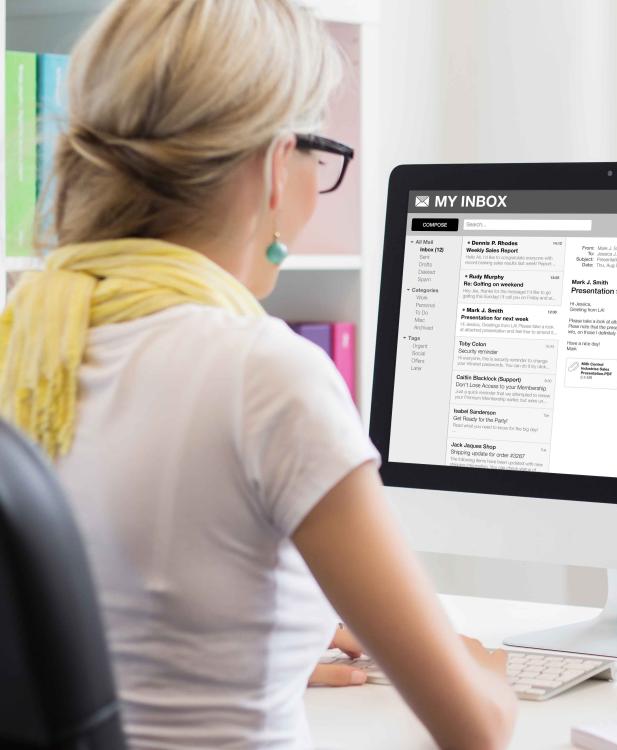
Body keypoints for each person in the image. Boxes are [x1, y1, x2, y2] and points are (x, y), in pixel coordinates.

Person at [0, 1, 516, 748]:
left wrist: (265, 642)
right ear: (278, 163)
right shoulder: (266, 375)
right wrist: (491, 676)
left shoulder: (28, 339)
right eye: (322, 151)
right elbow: (475, 730)